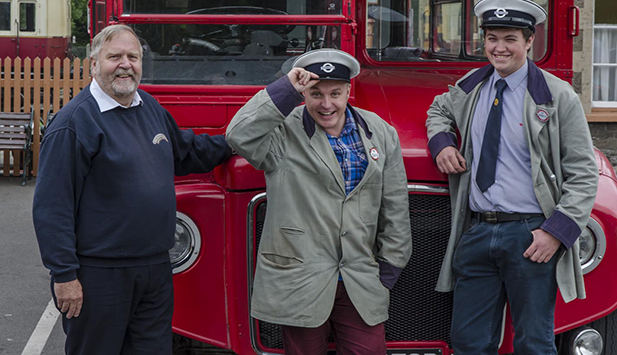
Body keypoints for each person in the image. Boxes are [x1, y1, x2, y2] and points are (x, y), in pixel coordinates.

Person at [32, 24, 232, 355]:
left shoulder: (149, 108)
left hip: (154, 270)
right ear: (93, 64)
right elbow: (52, 206)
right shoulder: (74, 123)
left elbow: (187, 152)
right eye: (115, 57)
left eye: (133, 56)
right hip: (99, 275)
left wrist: (234, 143)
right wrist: (64, 276)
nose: (125, 64)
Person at [426, 0, 599, 355]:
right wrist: (442, 143)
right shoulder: (473, 86)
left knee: (534, 343)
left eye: (509, 39)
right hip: (477, 232)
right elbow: (439, 108)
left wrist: (556, 233)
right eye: (492, 38)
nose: (499, 48)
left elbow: (583, 173)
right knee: (469, 343)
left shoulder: (557, 96)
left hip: (531, 236)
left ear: (529, 41)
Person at [226, 49, 412, 355]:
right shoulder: (282, 132)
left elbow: (395, 205)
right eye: (316, 94)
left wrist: (388, 269)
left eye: (335, 93)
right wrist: (286, 88)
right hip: (300, 279)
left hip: (360, 280)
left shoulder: (379, 130)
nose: (327, 104)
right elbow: (238, 134)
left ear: (349, 91)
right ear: (303, 94)